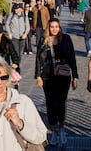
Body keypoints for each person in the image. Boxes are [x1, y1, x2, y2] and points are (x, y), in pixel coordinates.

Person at [35, 17, 78, 145]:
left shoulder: (66, 39)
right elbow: (38, 59)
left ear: (60, 28)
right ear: (48, 28)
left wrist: (75, 76)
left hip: (63, 75)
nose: (54, 29)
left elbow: (72, 58)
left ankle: (62, 129)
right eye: (52, 27)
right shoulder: (43, 40)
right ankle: (53, 130)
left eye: (56, 27)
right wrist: (38, 76)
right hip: (48, 75)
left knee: (61, 102)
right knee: (50, 103)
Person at [5, 3, 30, 70]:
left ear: (21, 9)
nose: (16, 10)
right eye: (15, 8)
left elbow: (27, 27)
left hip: (22, 37)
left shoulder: (24, 16)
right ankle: (17, 68)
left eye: (17, 8)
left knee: (20, 53)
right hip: (14, 37)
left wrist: (25, 34)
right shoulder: (12, 15)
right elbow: (7, 24)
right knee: (15, 53)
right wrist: (9, 33)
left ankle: (17, 65)